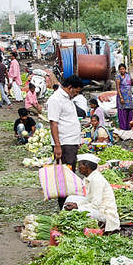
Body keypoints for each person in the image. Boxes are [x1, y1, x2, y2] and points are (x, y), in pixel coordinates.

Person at [47, 75, 84, 206]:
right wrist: (57, 145)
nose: (76, 94)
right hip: (64, 143)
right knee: (64, 175)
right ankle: (63, 204)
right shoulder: (55, 99)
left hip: (71, 143)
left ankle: (68, 202)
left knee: (70, 174)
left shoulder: (67, 99)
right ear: (70, 87)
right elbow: (53, 123)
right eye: (77, 91)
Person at [64, 154, 120, 232]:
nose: (78, 168)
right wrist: (77, 204)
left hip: (105, 213)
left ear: (87, 166)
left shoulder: (96, 180)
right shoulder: (90, 177)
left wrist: (77, 208)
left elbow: (96, 205)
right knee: (71, 198)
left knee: (74, 211)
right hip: (98, 207)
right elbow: (89, 198)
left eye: (80, 165)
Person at [115, 63, 133, 131]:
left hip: (128, 97)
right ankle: (123, 128)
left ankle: (129, 127)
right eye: (120, 69)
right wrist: (121, 97)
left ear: (125, 69)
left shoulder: (128, 75)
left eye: (123, 69)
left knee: (129, 112)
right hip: (122, 96)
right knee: (122, 112)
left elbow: (131, 84)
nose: (122, 70)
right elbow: (118, 88)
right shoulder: (118, 76)